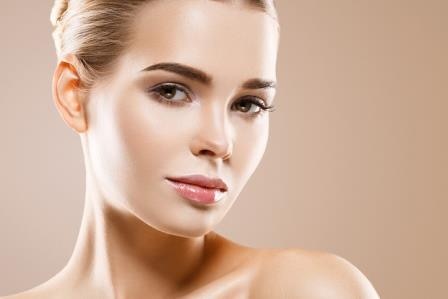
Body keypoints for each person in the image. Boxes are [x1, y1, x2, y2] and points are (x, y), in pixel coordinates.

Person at [3, 0, 380, 298]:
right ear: (73, 95)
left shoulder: (303, 290)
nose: (219, 142)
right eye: (171, 91)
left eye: (248, 104)